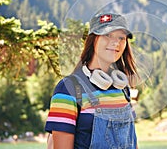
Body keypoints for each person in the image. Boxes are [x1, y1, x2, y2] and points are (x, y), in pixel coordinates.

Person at [45, 13, 139, 149]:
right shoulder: (68, 88)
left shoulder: (123, 89)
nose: (116, 43)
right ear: (93, 39)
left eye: (121, 38)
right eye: (108, 35)